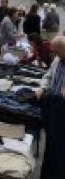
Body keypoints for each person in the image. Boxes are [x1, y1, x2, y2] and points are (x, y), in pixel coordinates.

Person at [37, 36, 65, 179]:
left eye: (56, 52)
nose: (53, 55)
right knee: (51, 146)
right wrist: (42, 88)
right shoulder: (57, 60)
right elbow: (48, 76)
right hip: (54, 108)